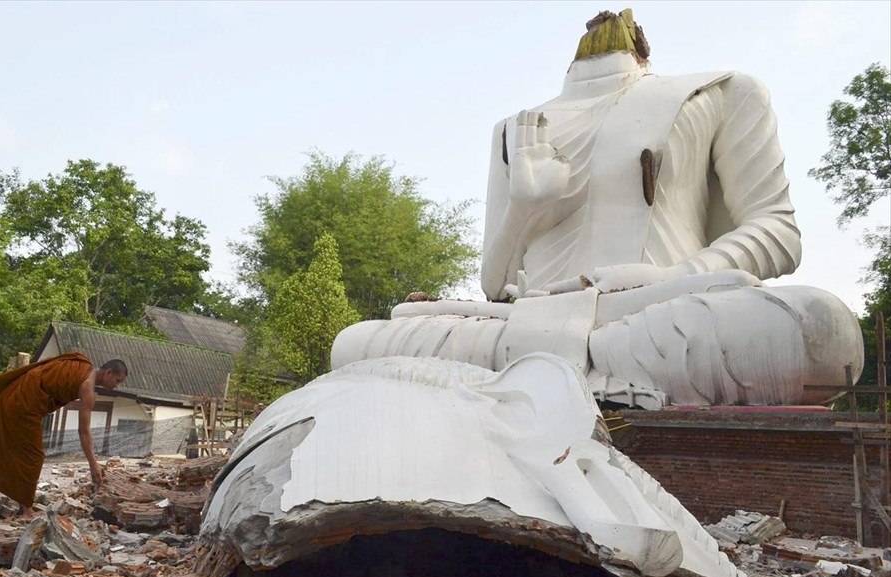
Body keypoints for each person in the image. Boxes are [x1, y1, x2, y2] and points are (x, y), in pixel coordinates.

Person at [331, 9, 863, 407]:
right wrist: (524, 207)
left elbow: (777, 233)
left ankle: (535, 375)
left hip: (650, 314)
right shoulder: (517, 128)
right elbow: (495, 286)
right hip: (522, 324)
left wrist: (670, 277)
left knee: (820, 327)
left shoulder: (719, 92)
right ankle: (578, 369)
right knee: (358, 343)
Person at [0, 352, 127, 519]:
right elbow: (84, 431)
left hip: (11, 396)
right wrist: (93, 464)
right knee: (34, 456)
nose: (116, 385)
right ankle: (26, 509)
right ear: (108, 372)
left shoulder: (82, 363)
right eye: (117, 381)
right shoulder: (87, 387)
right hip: (23, 406)